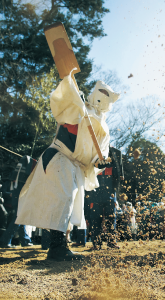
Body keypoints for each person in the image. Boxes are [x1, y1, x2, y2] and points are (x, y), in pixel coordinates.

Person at [15, 75, 120, 260]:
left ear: (110, 101)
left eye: (107, 95)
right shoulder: (79, 105)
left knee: (67, 204)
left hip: (75, 166)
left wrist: (99, 163)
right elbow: (64, 116)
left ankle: (59, 245)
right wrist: (73, 98)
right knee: (62, 198)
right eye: (100, 92)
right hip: (60, 156)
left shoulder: (105, 128)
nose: (102, 96)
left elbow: (98, 155)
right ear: (95, 91)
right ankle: (56, 248)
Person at [85, 146, 124, 249]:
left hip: (110, 193)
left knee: (112, 217)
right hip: (95, 192)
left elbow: (120, 174)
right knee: (95, 219)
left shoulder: (115, 156)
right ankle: (96, 244)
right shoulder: (92, 155)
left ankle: (112, 242)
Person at [0, 156, 36, 248]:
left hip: (17, 198)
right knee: (18, 217)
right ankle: (5, 240)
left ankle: (25, 240)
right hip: (20, 198)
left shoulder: (16, 177)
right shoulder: (22, 180)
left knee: (20, 217)